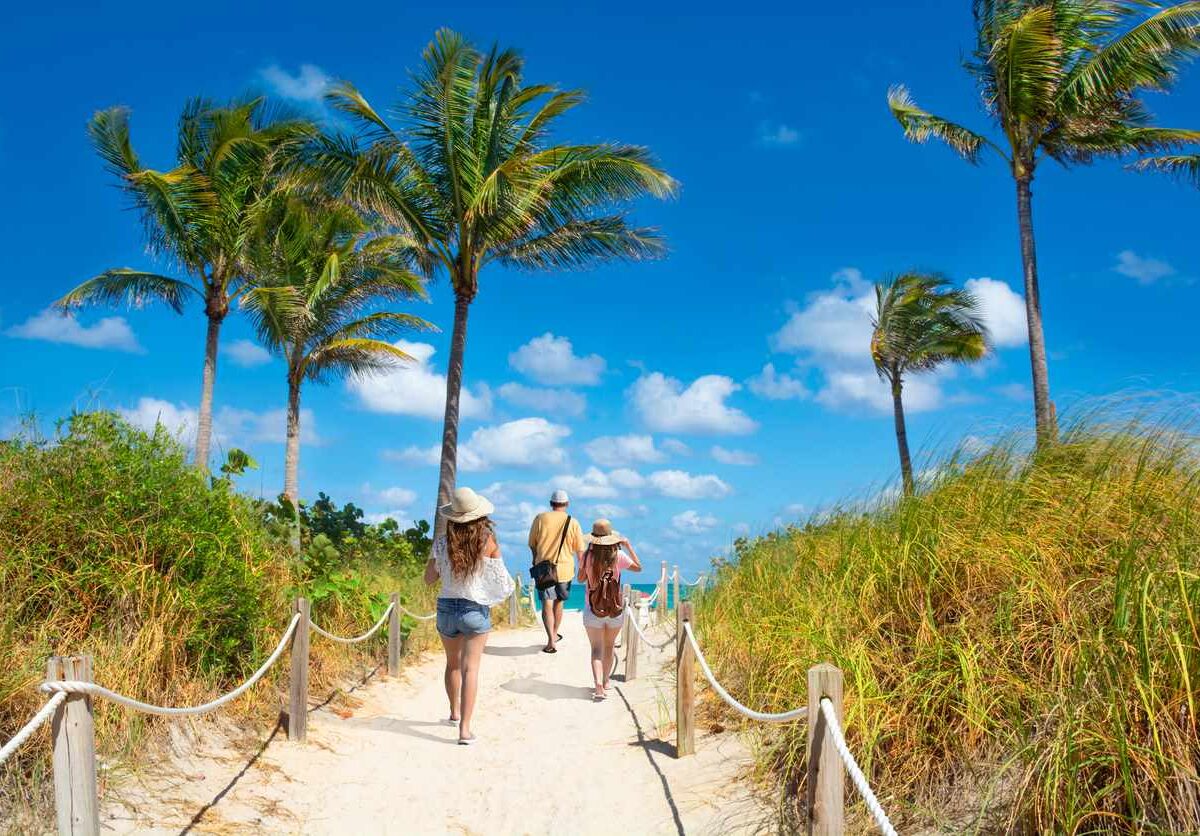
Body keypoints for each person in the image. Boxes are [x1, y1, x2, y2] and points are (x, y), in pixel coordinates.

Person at [423, 487, 501, 745]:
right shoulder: (487, 541)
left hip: (446, 607)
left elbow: (429, 579)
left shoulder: (442, 542)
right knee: (471, 668)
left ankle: (454, 713)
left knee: (453, 664)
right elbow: (500, 582)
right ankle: (464, 730)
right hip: (474, 609)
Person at [577, 519, 642, 700]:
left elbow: (581, 579)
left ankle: (598, 685)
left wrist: (584, 564)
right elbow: (639, 568)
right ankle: (606, 681)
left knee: (596, 649)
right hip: (615, 610)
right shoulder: (618, 556)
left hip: (592, 610)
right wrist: (628, 546)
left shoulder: (588, 556)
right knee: (609, 646)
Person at [527, 489, 585, 654]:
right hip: (565, 569)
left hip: (544, 569)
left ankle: (551, 639)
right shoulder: (572, 522)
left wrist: (535, 558)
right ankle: (554, 634)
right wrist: (583, 568)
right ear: (566, 504)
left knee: (547, 603)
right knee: (559, 602)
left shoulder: (540, 518)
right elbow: (580, 550)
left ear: (551, 503)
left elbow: (532, 543)